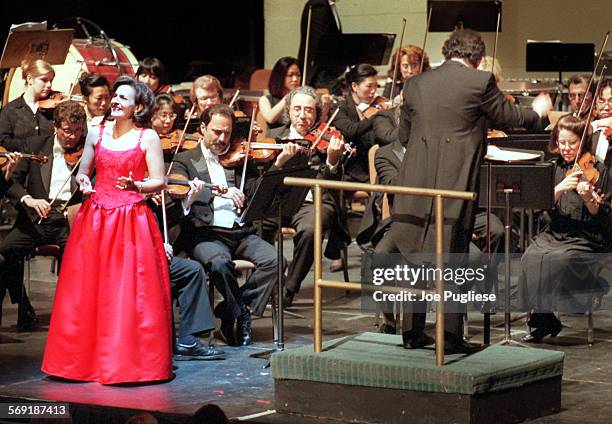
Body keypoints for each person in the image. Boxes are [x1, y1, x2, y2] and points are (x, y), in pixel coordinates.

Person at [383, 29, 551, 353]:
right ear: (475, 57)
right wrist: (540, 110)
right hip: (454, 182)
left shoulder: (415, 83)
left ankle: (412, 333)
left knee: (415, 254)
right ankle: (448, 338)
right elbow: (510, 116)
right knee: (453, 255)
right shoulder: (479, 81)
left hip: (414, 182)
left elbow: (403, 136)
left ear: (447, 53)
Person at [42, 77, 173, 384]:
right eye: (115, 96)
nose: (114, 101)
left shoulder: (148, 137)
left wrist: (137, 185)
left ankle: (127, 363)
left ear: (137, 107)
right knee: (87, 291)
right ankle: (80, 363)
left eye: (122, 98)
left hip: (130, 219)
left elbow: (160, 180)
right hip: (97, 217)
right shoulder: (96, 132)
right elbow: (84, 173)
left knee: (127, 292)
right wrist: (85, 184)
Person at [172, 104, 279, 346]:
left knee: (275, 260)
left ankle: (231, 309)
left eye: (227, 133)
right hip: (205, 233)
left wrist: (278, 163)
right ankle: (240, 312)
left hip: (240, 232)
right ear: (202, 128)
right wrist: (218, 193)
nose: (222, 139)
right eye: (216, 132)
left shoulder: (241, 159)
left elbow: (255, 192)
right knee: (219, 263)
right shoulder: (185, 160)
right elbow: (180, 192)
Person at [518, 114, 610, 343]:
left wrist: (589, 199)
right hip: (556, 231)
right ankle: (543, 319)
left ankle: (593, 286)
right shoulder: (553, 168)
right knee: (530, 258)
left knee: (557, 261)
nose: (567, 148)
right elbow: (539, 206)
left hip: (586, 235)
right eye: (562, 143)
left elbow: (605, 215)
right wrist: (558, 189)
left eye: (573, 143)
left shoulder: (598, 169)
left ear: (583, 142)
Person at [0, 101, 86, 332]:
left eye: (78, 131)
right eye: (67, 131)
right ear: (56, 127)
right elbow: (11, 182)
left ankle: (73, 320)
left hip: (69, 220)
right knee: (6, 251)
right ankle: (23, 305)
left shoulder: (87, 152)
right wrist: (29, 199)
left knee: (78, 261)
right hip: (36, 218)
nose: (73, 137)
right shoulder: (35, 146)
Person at [266, 86, 350, 306]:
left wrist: (332, 159)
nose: (302, 115)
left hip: (313, 202)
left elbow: (335, 183)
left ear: (317, 113)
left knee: (311, 229)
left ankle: (289, 288)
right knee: (252, 223)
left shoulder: (328, 138)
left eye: (308, 110)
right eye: (297, 109)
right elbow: (263, 179)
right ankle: (264, 281)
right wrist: (279, 162)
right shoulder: (273, 137)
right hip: (279, 202)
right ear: (289, 111)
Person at [334, 63, 379, 183]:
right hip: (351, 169)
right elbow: (351, 130)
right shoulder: (340, 108)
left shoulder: (376, 107)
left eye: (376, 86)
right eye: (369, 86)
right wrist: (377, 116)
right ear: (354, 86)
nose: (373, 91)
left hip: (373, 166)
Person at [0, 59, 55, 151]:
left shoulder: (55, 107)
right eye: (44, 80)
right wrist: (28, 145)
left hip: (49, 162)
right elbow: (3, 140)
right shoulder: (10, 110)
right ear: (29, 79)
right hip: (22, 162)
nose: (49, 85)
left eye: (51, 80)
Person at [297, 0, 345, 93]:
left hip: (328, 73)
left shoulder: (328, 5)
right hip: (321, 74)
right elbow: (316, 42)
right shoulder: (319, 5)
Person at [258, 57, 302, 130]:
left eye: (298, 75)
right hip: (275, 139)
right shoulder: (265, 100)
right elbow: (270, 118)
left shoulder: (301, 99)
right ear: (280, 76)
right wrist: (288, 96)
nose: (295, 79)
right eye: (290, 75)